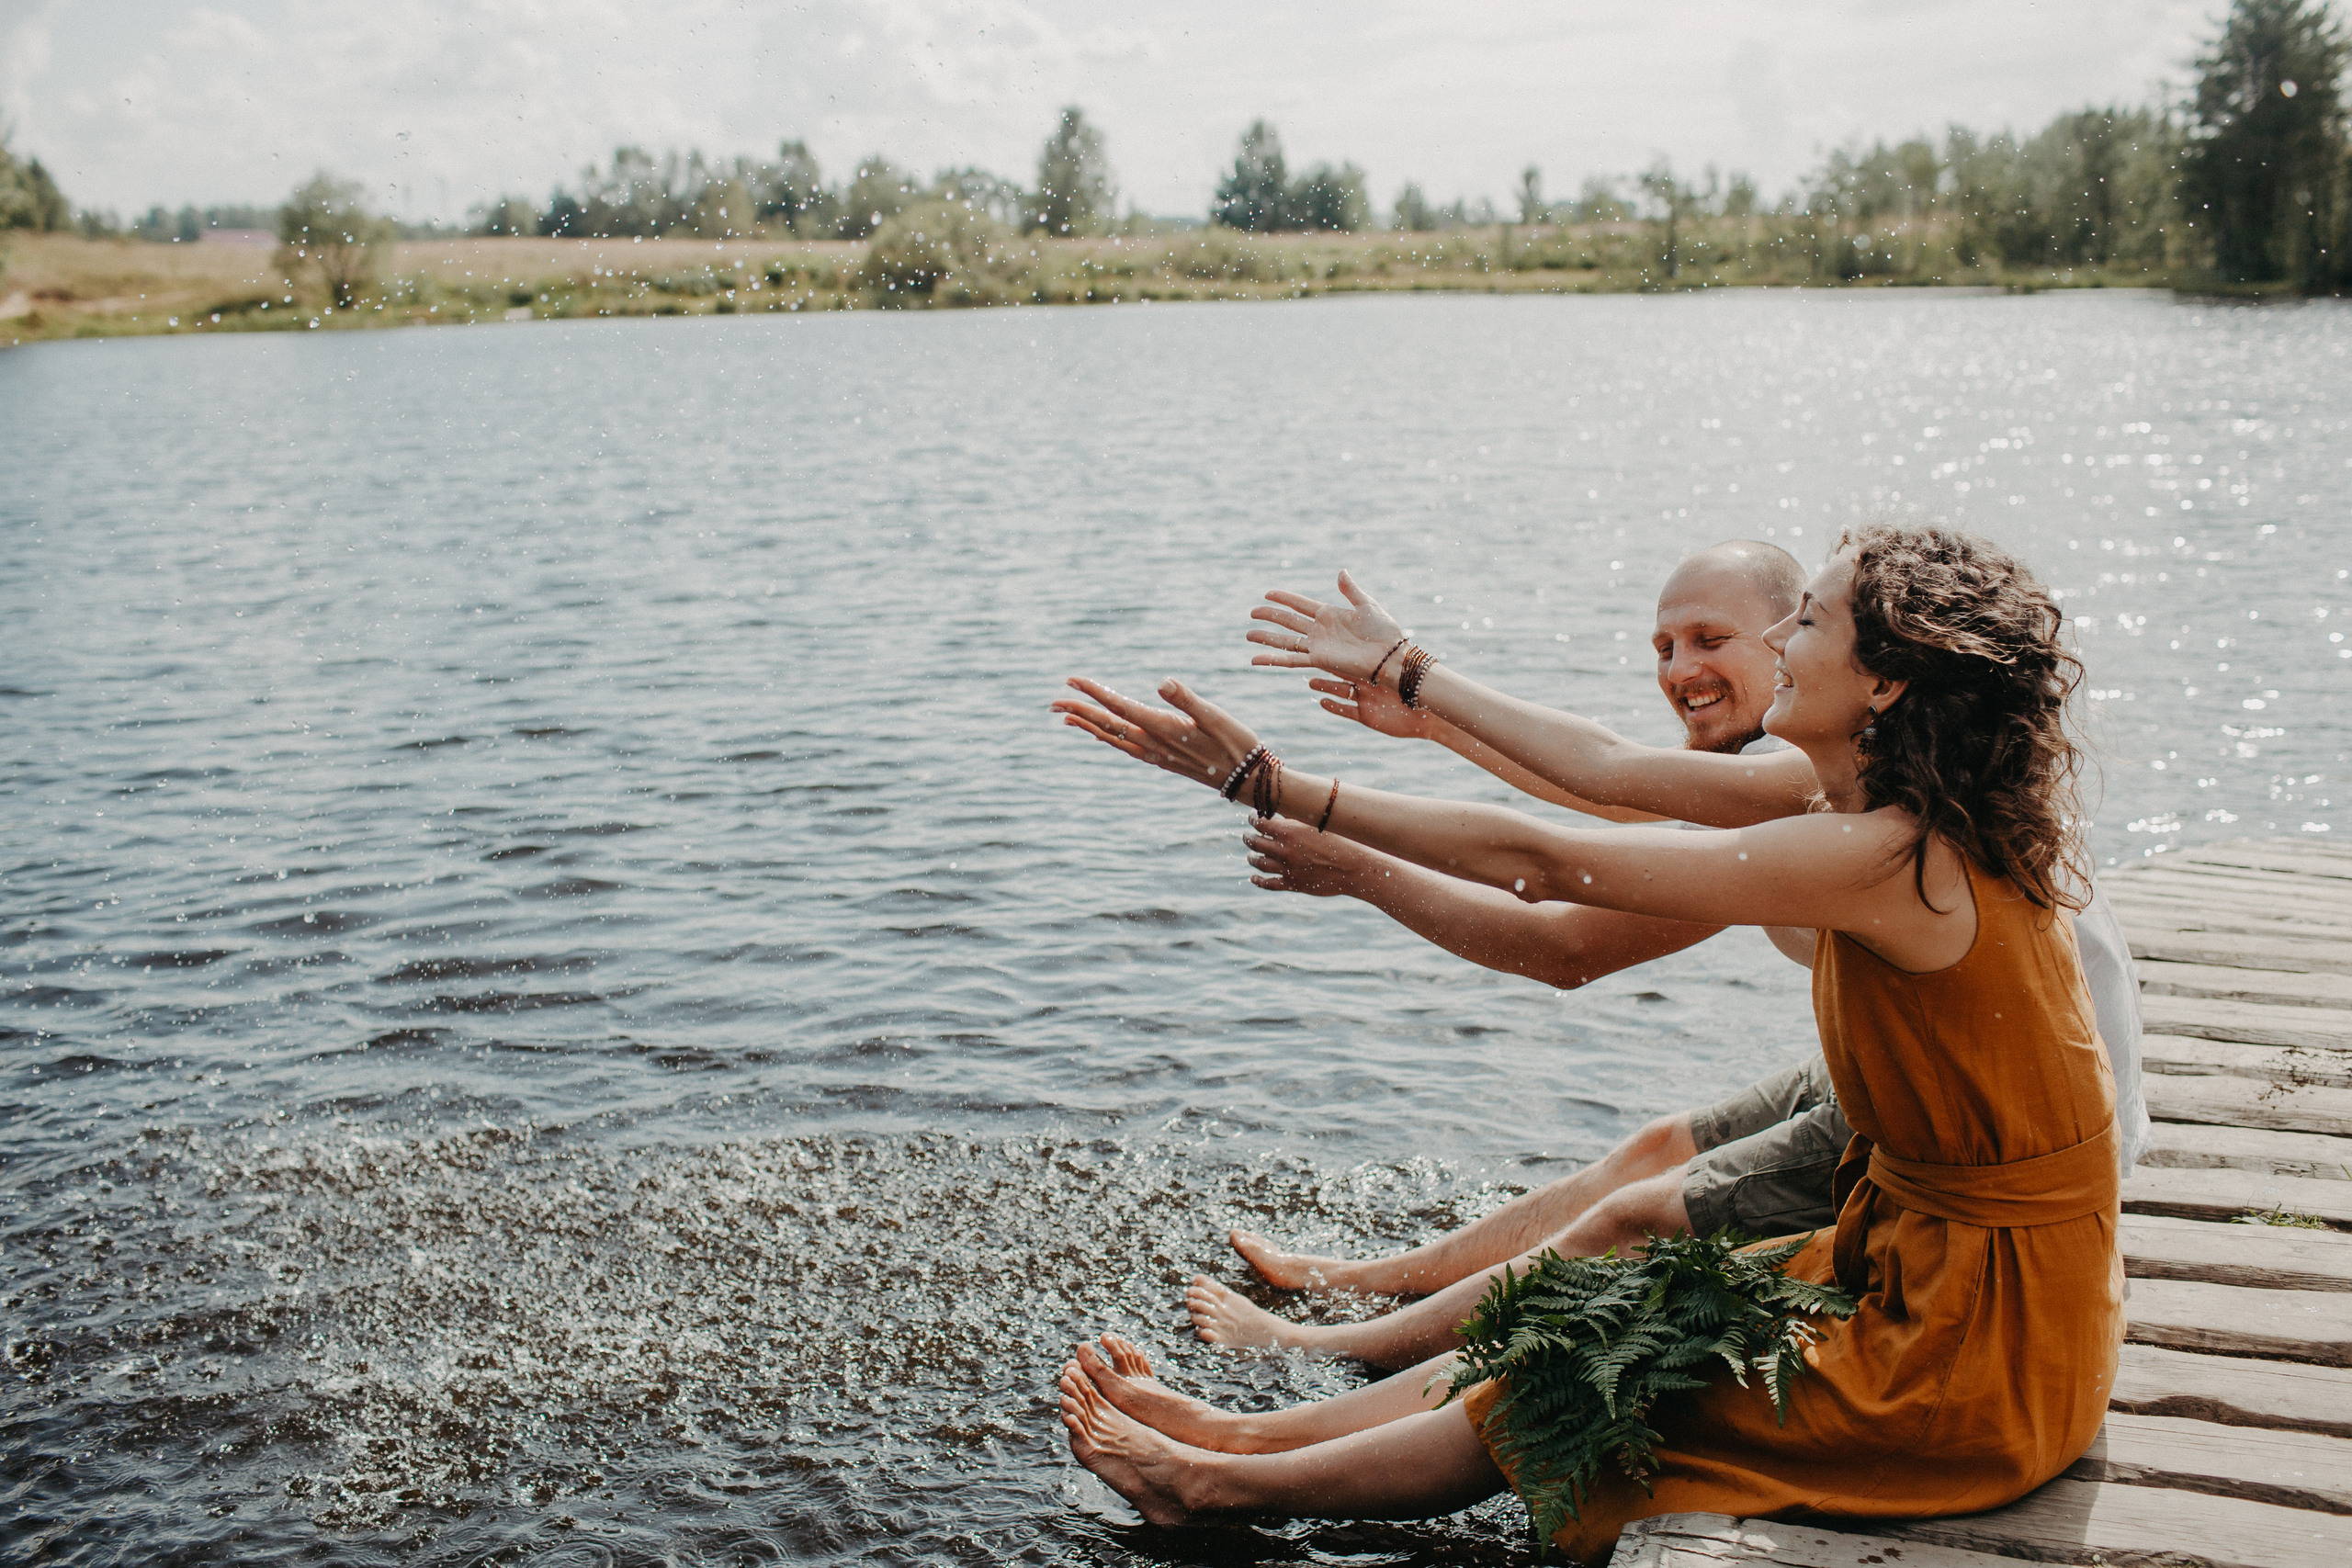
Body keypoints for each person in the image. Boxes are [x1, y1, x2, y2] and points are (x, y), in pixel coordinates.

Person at [1050, 525, 2123, 1559]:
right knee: (1601, 1298)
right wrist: (1413, 679)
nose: (1783, 644)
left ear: (1884, 684)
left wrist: (1276, 787)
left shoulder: (1892, 855)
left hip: (1975, 1351)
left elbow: (1548, 866)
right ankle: (1245, 1436)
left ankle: (1213, 1480)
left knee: (1572, 1368)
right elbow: (1604, 771)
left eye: (1806, 622)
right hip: (1955, 1275)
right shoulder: (1861, 797)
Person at [1194, 542, 2146, 1371]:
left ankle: (1338, 1346)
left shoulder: (1842, 815)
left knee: (1635, 1222)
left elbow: (1561, 932)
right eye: (1662, 647)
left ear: (1818, 648)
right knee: (1658, 1149)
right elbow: (1610, 784)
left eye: (1714, 639)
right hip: (1934, 1078)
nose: (1680, 670)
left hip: (1989, 1141)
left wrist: (1341, 838)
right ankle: (1365, 1285)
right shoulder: (1848, 778)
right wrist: (1432, 719)